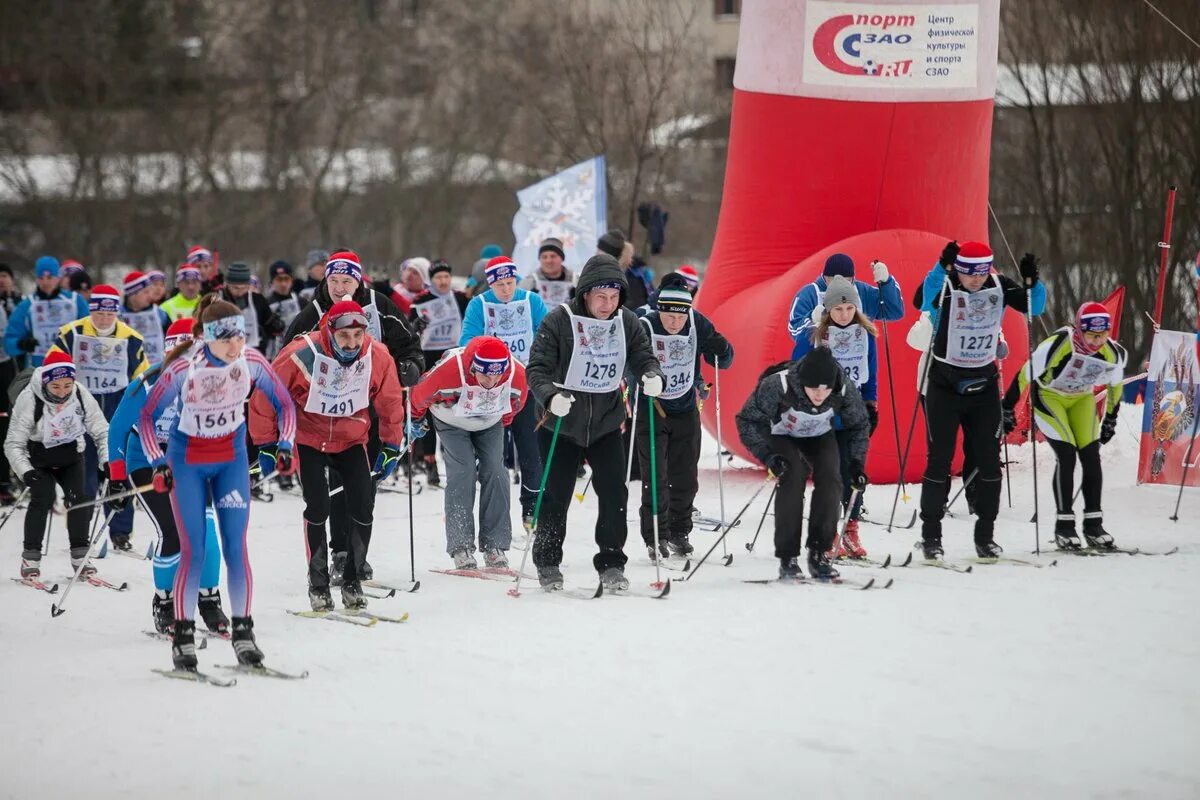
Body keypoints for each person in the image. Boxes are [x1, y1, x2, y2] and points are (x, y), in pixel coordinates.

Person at [139, 300, 297, 671]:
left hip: (231, 461)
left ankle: (244, 634)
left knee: (235, 548)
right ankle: (182, 636)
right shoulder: (183, 367)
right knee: (192, 550)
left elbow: (285, 405)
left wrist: (285, 443)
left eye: (239, 335)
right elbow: (147, 417)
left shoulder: (252, 362)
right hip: (188, 463)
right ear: (207, 337)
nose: (233, 345)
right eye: (225, 338)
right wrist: (158, 463)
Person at [251, 300, 404, 611]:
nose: (351, 344)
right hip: (309, 440)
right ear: (330, 332)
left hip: (351, 440)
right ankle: (318, 583)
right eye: (344, 336)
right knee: (318, 506)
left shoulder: (377, 356)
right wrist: (267, 444)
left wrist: (390, 445)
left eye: (357, 336)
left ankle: (351, 580)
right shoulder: (302, 352)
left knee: (363, 505)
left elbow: (390, 403)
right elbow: (266, 395)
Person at [525, 253, 664, 591]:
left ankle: (612, 563)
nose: (607, 304)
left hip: (605, 422)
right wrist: (549, 396)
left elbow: (644, 355)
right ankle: (547, 562)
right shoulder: (559, 320)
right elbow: (536, 368)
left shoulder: (626, 321)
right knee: (556, 495)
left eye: (614, 296)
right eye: (601, 296)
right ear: (585, 293)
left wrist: (651, 374)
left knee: (615, 492)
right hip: (561, 422)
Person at [283, 249, 423, 583]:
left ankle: (356, 557)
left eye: (347, 280)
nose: (340, 287)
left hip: (371, 411)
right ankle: (341, 552)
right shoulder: (312, 312)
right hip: (323, 416)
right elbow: (289, 357)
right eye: (334, 280)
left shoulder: (379, 304)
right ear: (325, 279)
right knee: (334, 488)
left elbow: (409, 344)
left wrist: (410, 367)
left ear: (358, 280)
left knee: (364, 488)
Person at [908, 240, 1046, 559]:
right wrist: (940, 267)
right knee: (939, 460)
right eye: (969, 272)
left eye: (981, 272)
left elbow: (1033, 307)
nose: (975, 279)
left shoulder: (998, 285)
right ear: (958, 269)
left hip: (983, 386)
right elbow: (922, 301)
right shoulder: (947, 285)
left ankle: (985, 536)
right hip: (944, 385)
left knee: (988, 462)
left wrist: (1033, 282)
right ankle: (931, 537)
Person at [107, 316, 229, 635]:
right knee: (173, 533)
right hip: (145, 461)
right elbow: (117, 430)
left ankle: (209, 599)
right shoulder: (148, 382)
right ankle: (164, 601)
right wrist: (117, 475)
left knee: (208, 535)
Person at [735, 348, 870, 580]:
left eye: (825, 389)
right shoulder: (778, 384)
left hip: (818, 433)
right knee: (793, 474)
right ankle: (788, 557)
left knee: (832, 477)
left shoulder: (842, 386)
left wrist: (857, 463)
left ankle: (819, 552)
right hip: (781, 433)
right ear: (802, 382)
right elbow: (746, 420)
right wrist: (767, 456)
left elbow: (859, 424)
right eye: (814, 389)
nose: (820, 394)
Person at [1004, 301, 1126, 550]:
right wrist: (1007, 407)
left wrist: (1111, 418)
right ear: (1080, 330)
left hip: (1081, 399)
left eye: (1103, 335)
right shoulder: (1058, 344)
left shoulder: (1112, 352)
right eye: (1092, 336)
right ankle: (1064, 526)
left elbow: (1116, 385)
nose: (1097, 342)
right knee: (1067, 455)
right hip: (1050, 397)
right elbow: (1024, 374)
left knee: (1091, 457)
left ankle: (1094, 524)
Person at [634, 275, 733, 558]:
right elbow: (631, 359)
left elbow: (725, 357)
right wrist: (639, 379)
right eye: (668, 314)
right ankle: (656, 535)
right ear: (660, 308)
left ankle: (679, 532)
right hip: (652, 409)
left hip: (685, 408)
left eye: (680, 316)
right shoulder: (646, 325)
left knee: (686, 476)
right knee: (655, 476)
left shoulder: (696, 322)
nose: (674, 323)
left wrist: (722, 351)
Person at [409, 336, 527, 569]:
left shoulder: (517, 374)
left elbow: (517, 401)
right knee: (463, 472)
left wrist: (503, 418)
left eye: (497, 375)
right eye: (485, 375)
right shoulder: (448, 372)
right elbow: (417, 396)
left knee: (496, 471)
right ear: (473, 367)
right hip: (451, 420)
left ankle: (495, 544)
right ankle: (461, 546)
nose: (491, 381)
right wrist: (415, 421)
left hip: (489, 421)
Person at [50, 284, 151, 550]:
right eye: (99, 313)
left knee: (118, 472)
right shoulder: (71, 333)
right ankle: (79, 535)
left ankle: (120, 533)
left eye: (109, 313)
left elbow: (142, 379)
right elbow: (50, 368)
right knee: (83, 475)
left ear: (116, 312)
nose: (104, 319)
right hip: (79, 414)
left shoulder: (132, 339)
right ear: (91, 310)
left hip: (116, 414)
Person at [791, 275, 878, 559]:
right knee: (829, 478)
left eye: (849, 308)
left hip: (853, 417)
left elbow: (870, 374)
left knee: (854, 474)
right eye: (838, 309)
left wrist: (871, 404)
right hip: (823, 419)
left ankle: (851, 530)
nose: (844, 314)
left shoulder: (865, 335)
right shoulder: (816, 335)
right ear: (828, 310)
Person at [460, 255, 549, 526]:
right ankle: (495, 516)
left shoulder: (531, 301)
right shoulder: (479, 305)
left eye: (510, 283)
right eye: (500, 285)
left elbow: (546, 338)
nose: (507, 290)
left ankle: (532, 509)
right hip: (493, 388)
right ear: (490, 284)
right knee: (494, 455)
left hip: (527, 386)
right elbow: (467, 344)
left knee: (531, 450)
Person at [5, 350, 109, 579]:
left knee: (78, 499)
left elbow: (102, 430)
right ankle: (30, 558)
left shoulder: (80, 393)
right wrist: (25, 471)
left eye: (67, 386)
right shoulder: (29, 398)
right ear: (45, 382)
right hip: (38, 457)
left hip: (70, 454)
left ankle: (80, 555)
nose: (62, 392)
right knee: (43, 498)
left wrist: (107, 460)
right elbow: (13, 442)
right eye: (56, 387)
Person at [408, 258, 469, 485]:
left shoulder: (460, 298)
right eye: (438, 277)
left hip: (454, 357)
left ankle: (453, 456)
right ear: (430, 280)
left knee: (454, 408)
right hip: (429, 358)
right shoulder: (422, 300)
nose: (442, 281)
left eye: (446, 277)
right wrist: (416, 327)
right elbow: (410, 328)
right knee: (429, 409)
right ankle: (429, 462)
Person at [787, 254, 904, 356]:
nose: (839, 285)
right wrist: (811, 318)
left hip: (855, 361)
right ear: (825, 277)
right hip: (819, 365)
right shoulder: (810, 293)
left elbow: (894, 311)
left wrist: (886, 283)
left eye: (846, 280)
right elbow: (794, 330)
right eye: (833, 280)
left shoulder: (863, 292)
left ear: (853, 279)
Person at [4, 256, 89, 368]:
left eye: (50, 277)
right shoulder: (27, 305)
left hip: (70, 366)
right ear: (36, 279)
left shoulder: (75, 301)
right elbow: (9, 341)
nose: (45, 282)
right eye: (41, 278)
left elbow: (89, 332)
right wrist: (23, 344)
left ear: (58, 278)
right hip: (38, 367)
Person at [221, 263, 283, 354]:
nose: (240, 292)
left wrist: (276, 324)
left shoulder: (257, 299)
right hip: (225, 353)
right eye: (236, 288)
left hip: (254, 352)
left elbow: (269, 324)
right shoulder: (219, 299)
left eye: (244, 288)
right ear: (227, 284)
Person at [120, 271, 170, 367]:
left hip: (157, 371)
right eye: (145, 292)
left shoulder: (160, 314)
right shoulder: (118, 316)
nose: (150, 295)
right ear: (132, 295)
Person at [263, 260, 303, 359]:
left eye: (286, 279)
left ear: (292, 280)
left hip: (297, 353)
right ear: (272, 281)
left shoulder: (301, 301)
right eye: (279, 280)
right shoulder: (265, 303)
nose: (283, 284)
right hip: (273, 356)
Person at [519, 237, 576, 307]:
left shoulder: (575, 281)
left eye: (553, 256)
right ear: (539, 259)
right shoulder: (529, 283)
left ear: (562, 258)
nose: (548, 261)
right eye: (544, 257)